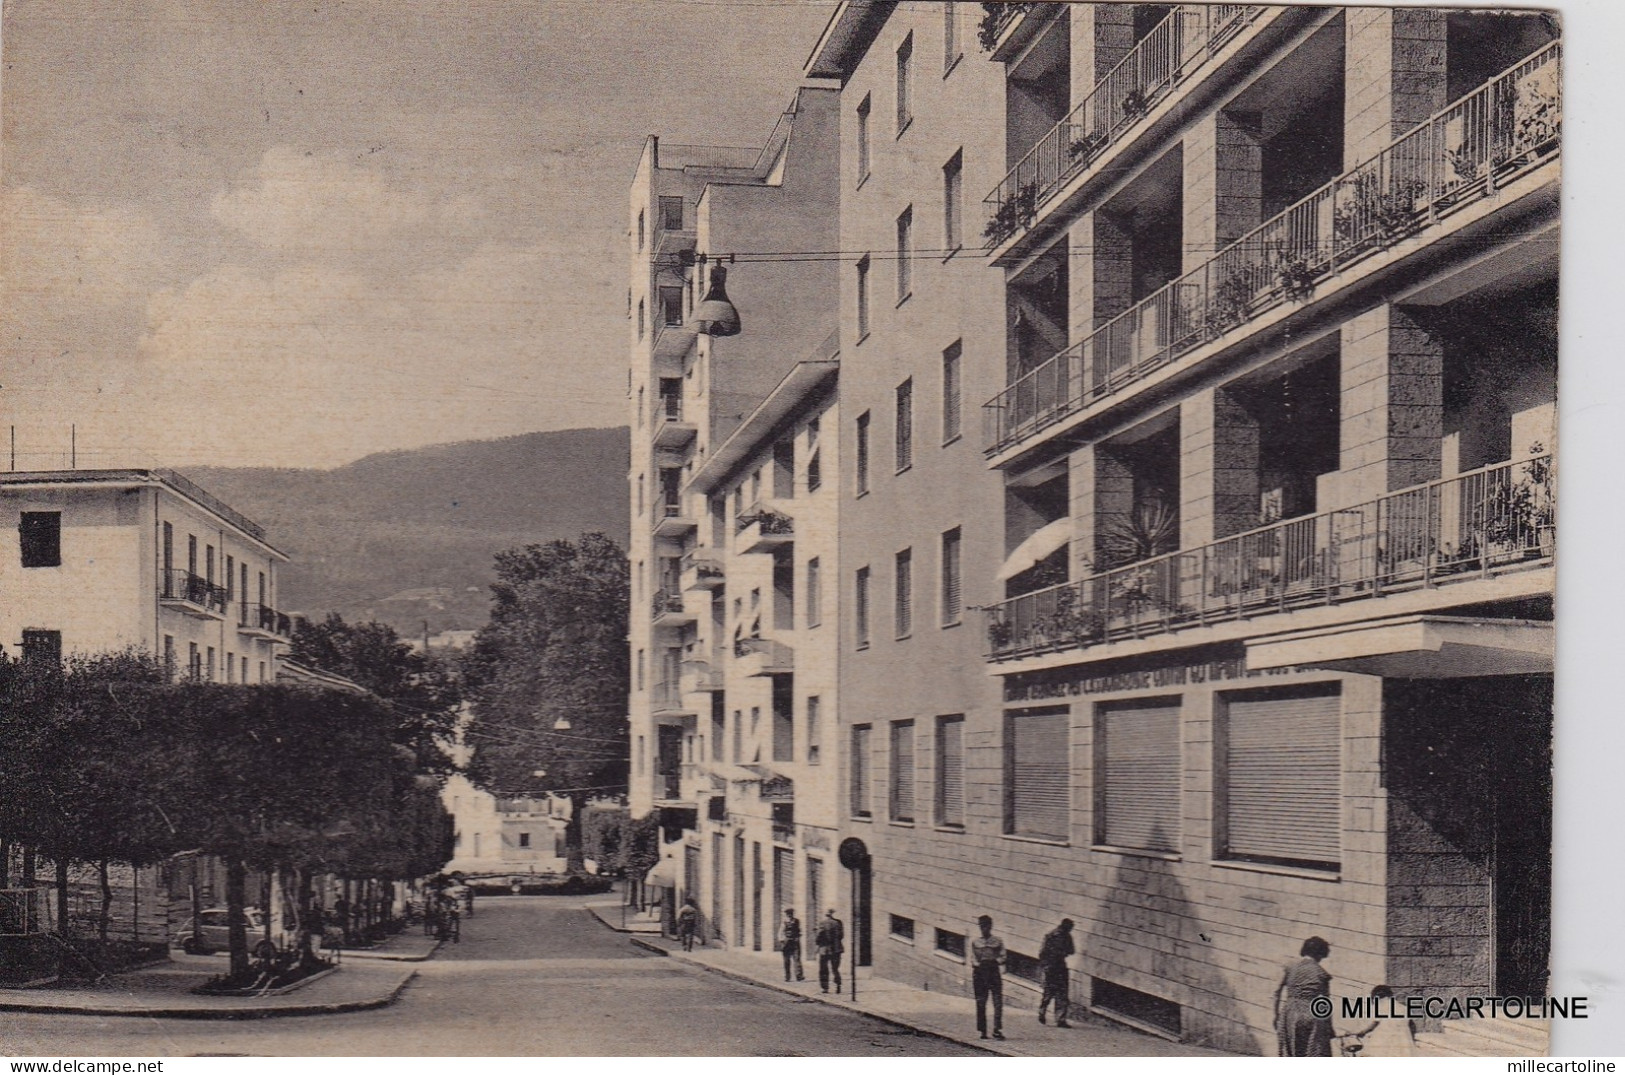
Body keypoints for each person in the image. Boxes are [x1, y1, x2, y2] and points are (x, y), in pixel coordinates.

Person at [1274, 936, 1334, 1056]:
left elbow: (1277, 992)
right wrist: (1329, 1026)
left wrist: (1276, 1015)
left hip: (1290, 1013)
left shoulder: (1290, 968)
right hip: (1312, 1014)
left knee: (1291, 1051)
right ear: (1320, 954)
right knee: (1313, 1052)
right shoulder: (1321, 973)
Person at [1339, 985, 1416, 1057]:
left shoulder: (1380, 1006)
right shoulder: (1404, 1008)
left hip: (1385, 1040)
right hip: (1403, 1041)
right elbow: (1410, 1025)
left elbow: (1373, 1024)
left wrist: (1360, 1032)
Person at [971, 914, 1006, 1040]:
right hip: (980, 973)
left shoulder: (997, 941)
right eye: (982, 926)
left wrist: (995, 961)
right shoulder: (975, 942)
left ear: (991, 926)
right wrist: (979, 965)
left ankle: (997, 1029)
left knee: (997, 1002)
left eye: (986, 926)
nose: (984, 928)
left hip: (993, 971)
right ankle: (983, 1030)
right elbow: (973, 958)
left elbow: (1003, 956)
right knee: (981, 1002)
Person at [1037, 918, 1075, 1027]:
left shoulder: (1065, 936)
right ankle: (1043, 1012)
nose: (1070, 930)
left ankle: (1060, 1019)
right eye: (1069, 928)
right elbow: (1042, 952)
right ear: (1064, 926)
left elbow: (1072, 950)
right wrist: (1045, 965)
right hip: (1052, 966)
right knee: (1050, 992)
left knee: (1061, 993)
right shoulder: (1051, 936)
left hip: (1059, 966)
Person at [814, 909, 845, 993]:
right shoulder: (839, 923)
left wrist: (817, 943)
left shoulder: (822, 923)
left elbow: (819, 936)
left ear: (826, 915)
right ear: (832, 914)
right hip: (836, 949)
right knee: (835, 968)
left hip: (825, 949)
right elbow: (841, 936)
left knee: (823, 968)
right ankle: (837, 985)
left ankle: (825, 987)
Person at [780, 908, 805, 982]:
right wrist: (782, 940)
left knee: (797, 959)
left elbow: (800, 930)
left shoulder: (797, 921)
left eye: (791, 914)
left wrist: (798, 937)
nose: (790, 915)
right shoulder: (784, 922)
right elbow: (781, 932)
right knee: (786, 960)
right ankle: (787, 976)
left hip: (795, 942)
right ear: (786, 915)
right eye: (788, 914)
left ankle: (799, 976)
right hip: (787, 942)